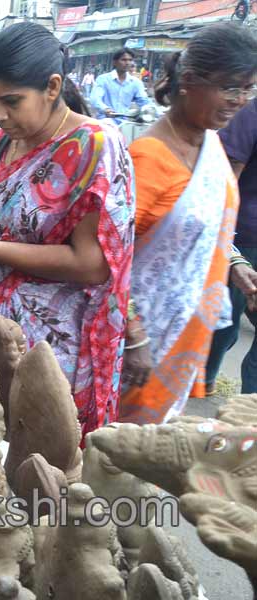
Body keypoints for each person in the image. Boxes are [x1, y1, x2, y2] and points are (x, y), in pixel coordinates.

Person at [0, 21, 135, 438]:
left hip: (53, 348)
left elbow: (91, 264)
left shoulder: (94, 146)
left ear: (52, 87)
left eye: (11, 102)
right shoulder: (10, 139)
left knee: (39, 461)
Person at [121, 23, 257, 424]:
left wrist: (234, 264)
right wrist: (135, 337)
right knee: (119, 447)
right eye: (231, 88)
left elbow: (207, 223)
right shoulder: (149, 158)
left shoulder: (211, 143)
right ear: (190, 82)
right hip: (143, 338)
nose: (240, 101)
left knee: (153, 445)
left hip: (184, 332)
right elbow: (109, 259)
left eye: (248, 89)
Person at [206, 98, 257, 396]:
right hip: (246, 236)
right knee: (225, 322)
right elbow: (226, 181)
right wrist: (229, 249)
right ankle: (205, 382)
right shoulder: (251, 114)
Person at [89, 49, 149, 121]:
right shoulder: (103, 79)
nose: (127, 63)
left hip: (125, 122)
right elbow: (95, 99)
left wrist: (151, 111)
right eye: (124, 60)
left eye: (130, 60)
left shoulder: (136, 83)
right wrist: (105, 109)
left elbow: (144, 101)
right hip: (105, 121)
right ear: (115, 62)